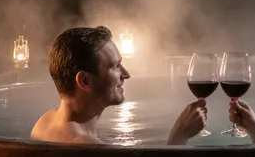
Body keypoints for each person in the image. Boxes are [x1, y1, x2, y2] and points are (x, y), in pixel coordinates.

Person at [31, 25, 207, 145]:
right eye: (114, 66)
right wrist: (178, 137)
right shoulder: (86, 147)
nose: (126, 74)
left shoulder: (45, 121)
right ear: (85, 81)